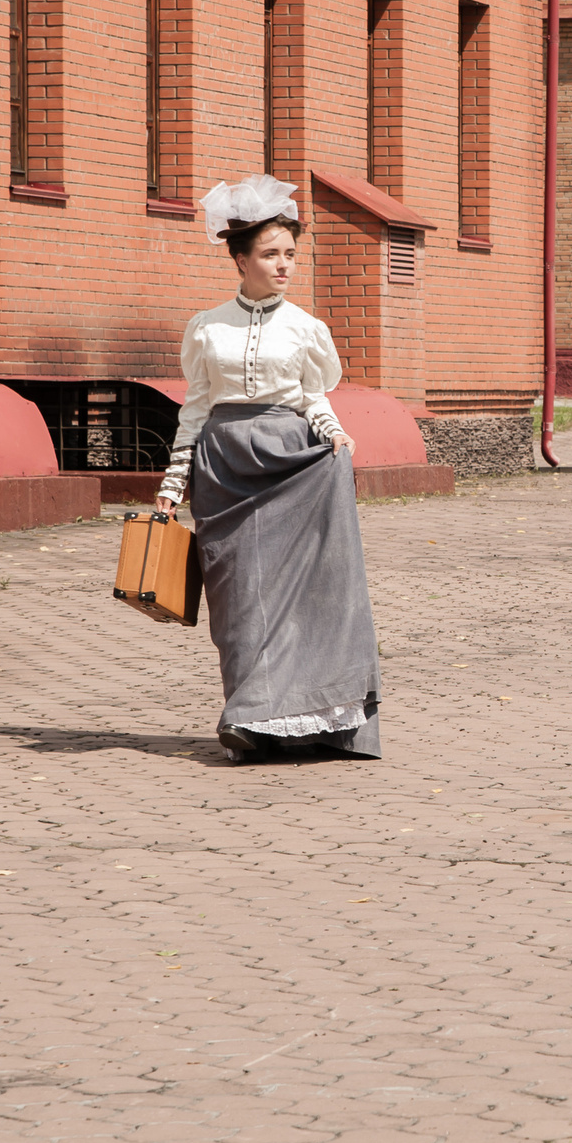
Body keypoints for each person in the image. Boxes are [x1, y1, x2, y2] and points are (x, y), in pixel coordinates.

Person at [155, 175, 382, 762]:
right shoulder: (207, 325)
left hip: (292, 466)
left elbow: (312, 398)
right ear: (240, 259)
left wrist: (333, 433)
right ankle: (255, 716)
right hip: (223, 469)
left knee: (306, 596)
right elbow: (195, 409)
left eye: (290, 254)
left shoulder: (306, 328)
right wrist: (173, 483)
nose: (283, 265)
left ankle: (261, 720)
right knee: (237, 604)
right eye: (270, 254)